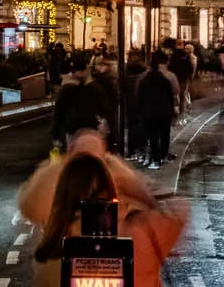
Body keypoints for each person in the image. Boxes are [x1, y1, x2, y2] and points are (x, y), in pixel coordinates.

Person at [20, 135, 188, 287]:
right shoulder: (141, 233)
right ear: (111, 187)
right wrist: (121, 173)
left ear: (61, 196)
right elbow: (178, 207)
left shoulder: (50, 251)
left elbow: (28, 203)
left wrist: (67, 161)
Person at [133, 53, 177, 168]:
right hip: (164, 110)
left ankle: (156, 158)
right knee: (164, 134)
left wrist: (140, 109)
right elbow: (170, 95)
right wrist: (172, 110)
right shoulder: (165, 79)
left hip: (149, 112)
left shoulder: (144, 80)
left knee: (153, 136)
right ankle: (163, 154)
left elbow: (139, 96)